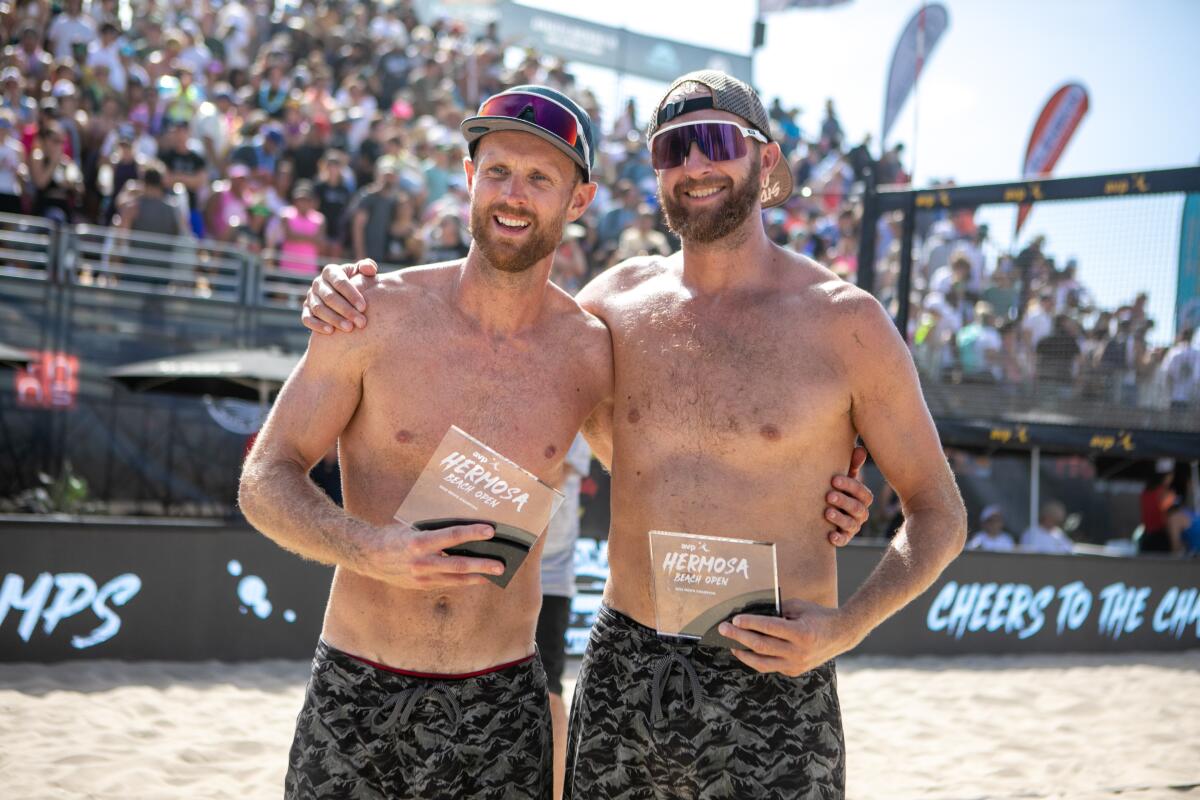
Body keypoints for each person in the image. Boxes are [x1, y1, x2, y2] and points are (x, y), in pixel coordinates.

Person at [301, 71, 960, 799]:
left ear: (765, 160)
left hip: (773, 676)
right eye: (672, 150)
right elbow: (554, 400)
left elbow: (939, 511)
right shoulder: (611, 309)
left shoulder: (847, 323)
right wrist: (342, 289)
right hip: (626, 670)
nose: (695, 167)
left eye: (714, 143)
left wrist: (844, 628)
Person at [240, 85, 609, 799]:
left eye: (540, 178)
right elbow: (266, 476)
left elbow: (673, 466)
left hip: (503, 705)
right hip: (358, 688)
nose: (513, 194)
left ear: (579, 202)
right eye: (497, 170)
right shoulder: (375, 313)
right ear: (468, 179)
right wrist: (364, 546)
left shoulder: (590, 353)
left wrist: (830, 500)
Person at [535, 433, 591, 800]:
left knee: (551, 690)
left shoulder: (573, 403)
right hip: (488, 559)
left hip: (549, 571)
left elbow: (559, 470)